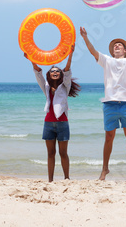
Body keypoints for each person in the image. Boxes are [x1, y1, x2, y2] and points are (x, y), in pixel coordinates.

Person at [80, 23, 126, 181]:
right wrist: (86, 37)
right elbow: (93, 51)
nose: (117, 46)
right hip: (109, 103)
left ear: (125, 50)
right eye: (115, 45)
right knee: (109, 137)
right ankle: (105, 169)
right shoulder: (107, 60)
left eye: (120, 45)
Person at [24, 45, 80, 182]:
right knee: (50, 153)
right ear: (49, 75)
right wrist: (31, 59)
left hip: (62, 124)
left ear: (60, 75)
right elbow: (38, 74)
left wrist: (70, 55)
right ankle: (50, 180)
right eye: (52, 71)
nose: (55, 72)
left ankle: (67, 178)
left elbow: (67, 72)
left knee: (63, 153)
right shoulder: (46, 87)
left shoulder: (65, 87)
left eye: (57, 71)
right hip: (48, 124)